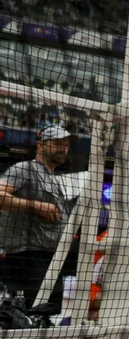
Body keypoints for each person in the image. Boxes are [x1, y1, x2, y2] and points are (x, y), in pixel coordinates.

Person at [0, 125, 76, 312]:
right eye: (57, 143)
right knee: (33, 312)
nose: (63, 148)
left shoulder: (53, 178)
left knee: (48, 311)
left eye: (66, 145)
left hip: (50, 256)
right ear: (40, 145)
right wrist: (35, 205)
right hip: (28, 255)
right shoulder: (24, 169)